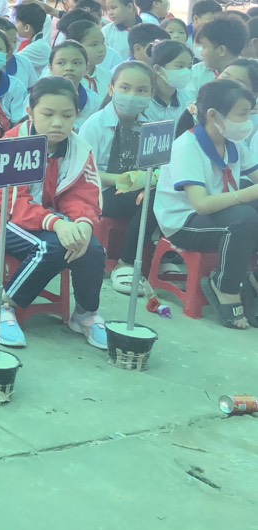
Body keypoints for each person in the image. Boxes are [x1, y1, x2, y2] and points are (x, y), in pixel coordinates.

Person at [0, 77, 108, 351]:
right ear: (30, 112)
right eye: (48, 114)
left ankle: (85, 312)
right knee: (51, 247)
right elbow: (15, 200)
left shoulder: (79, 149)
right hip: (7, 217)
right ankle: (2, 306)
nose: (57, 123)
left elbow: (84, 194)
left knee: (92, 248)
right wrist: (57, 224)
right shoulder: (13, 142)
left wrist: (84, 224)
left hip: (53, 221)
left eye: (67, 115)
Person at [155, 78, 258, 329]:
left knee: (247, 213)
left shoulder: (232, 144)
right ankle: (225, 287)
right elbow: (200, 204)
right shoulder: (187, 146)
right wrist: (247, 194)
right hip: (184, 222)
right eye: (242, 114)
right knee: (245, 219)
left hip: (221, 213)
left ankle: (253, 277)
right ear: (213, 115)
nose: (247, 121)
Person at [79, 61, 158, 296]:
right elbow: (84, 172)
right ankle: (126, 263)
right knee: (151, 200)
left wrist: (147, 180)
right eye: (125, 88)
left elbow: (161, 165)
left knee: (161, 196)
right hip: (100, 191)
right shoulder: (95, 125)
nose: (132, 95)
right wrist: (122, 180)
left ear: (151, 94)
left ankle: (157, 256)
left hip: (140, 189)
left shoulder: (152, 125)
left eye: (141, 90)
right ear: (112, 89)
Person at [46, 39, 102, 127]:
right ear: (50, 68)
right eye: (61, 63)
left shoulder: (94, 101)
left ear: (86, 68)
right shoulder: (39, 97)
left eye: (76, 63)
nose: (69, 68)